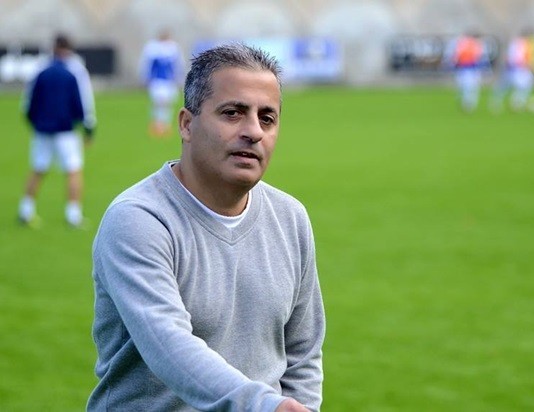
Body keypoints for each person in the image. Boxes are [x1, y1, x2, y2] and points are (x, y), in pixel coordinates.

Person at [88, 43, 325, 412]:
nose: (254, 131)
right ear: (186, 124)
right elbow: (169, 345)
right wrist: (266, 407)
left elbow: (303, 352)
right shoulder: (138, 219)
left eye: (267, 118)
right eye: (233, 113)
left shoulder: (290, 217)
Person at [17, 33, 96, 228]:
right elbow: (83, 100)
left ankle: (26, 210)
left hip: (42, 130)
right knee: (73, 170)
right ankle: (73, 215)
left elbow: (28, 102)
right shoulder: (74, 70)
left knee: (38, 168)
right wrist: (88, 127)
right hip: (66, 130)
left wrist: (35, 122)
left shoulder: (41, 70)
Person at [139, 29, 185, 137]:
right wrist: (145, 77)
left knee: (166, 104)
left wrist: (179, 78)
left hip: (168, 82)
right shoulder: (152, 48)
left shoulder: (173, 48)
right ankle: (157, 125)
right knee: (159, 103)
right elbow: (146, 65)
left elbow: (178, 65)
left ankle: (164, 125)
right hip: (157, 81)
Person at [490, 29, 534, 113]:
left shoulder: (518, 42)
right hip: (517, 69)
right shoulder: (521, 43)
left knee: (507, 87)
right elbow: (517, 58)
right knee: (522, 85)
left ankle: (513, 103)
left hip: (514, 68)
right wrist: (526, 64)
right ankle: (514, 103)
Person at [444, 31, 489, 113]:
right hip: (466, 69)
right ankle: (466, 103)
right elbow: (458, 57)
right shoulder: (465, 44)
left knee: (471, 87)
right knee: (467, 87)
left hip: (472, 69)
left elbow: (480, 59)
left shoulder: (477, 45)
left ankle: (468, 104)